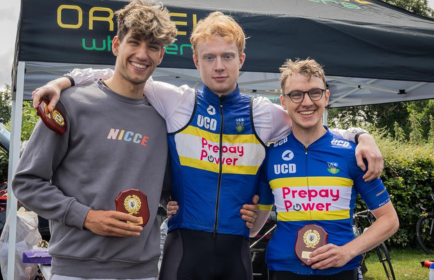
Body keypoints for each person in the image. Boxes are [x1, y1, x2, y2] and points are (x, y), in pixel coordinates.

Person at [32, 12, 384, 280]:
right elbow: (124, 74)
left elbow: (310, 119)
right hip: (184, 248)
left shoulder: (264, 114)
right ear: (196, 61)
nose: (219, 66)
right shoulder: (175, 100)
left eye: (228, 56)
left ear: (241, 60)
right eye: (210, 57)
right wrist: (68, 80)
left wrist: (358, 135)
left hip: (236, 251)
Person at [12, 1, 177, 279]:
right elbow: (26, 182)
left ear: (161, 55)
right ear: (116, 45)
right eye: (134, 42)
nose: (142, 54)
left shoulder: (166, 118)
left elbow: (170, 187)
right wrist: (86, 217)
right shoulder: (70, 104)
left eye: (153, 47)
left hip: (143, 271)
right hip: (76, 269)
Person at [251, 59, 399, 280]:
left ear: (326, 97)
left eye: (315, 93)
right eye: (296, 95)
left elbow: (389, 220)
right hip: (282, 270)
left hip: (341, 270)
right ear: (284, 101)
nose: (306, 102)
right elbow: (254, 226)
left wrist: (348, 251)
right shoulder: (269, 156)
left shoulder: (352, 154)